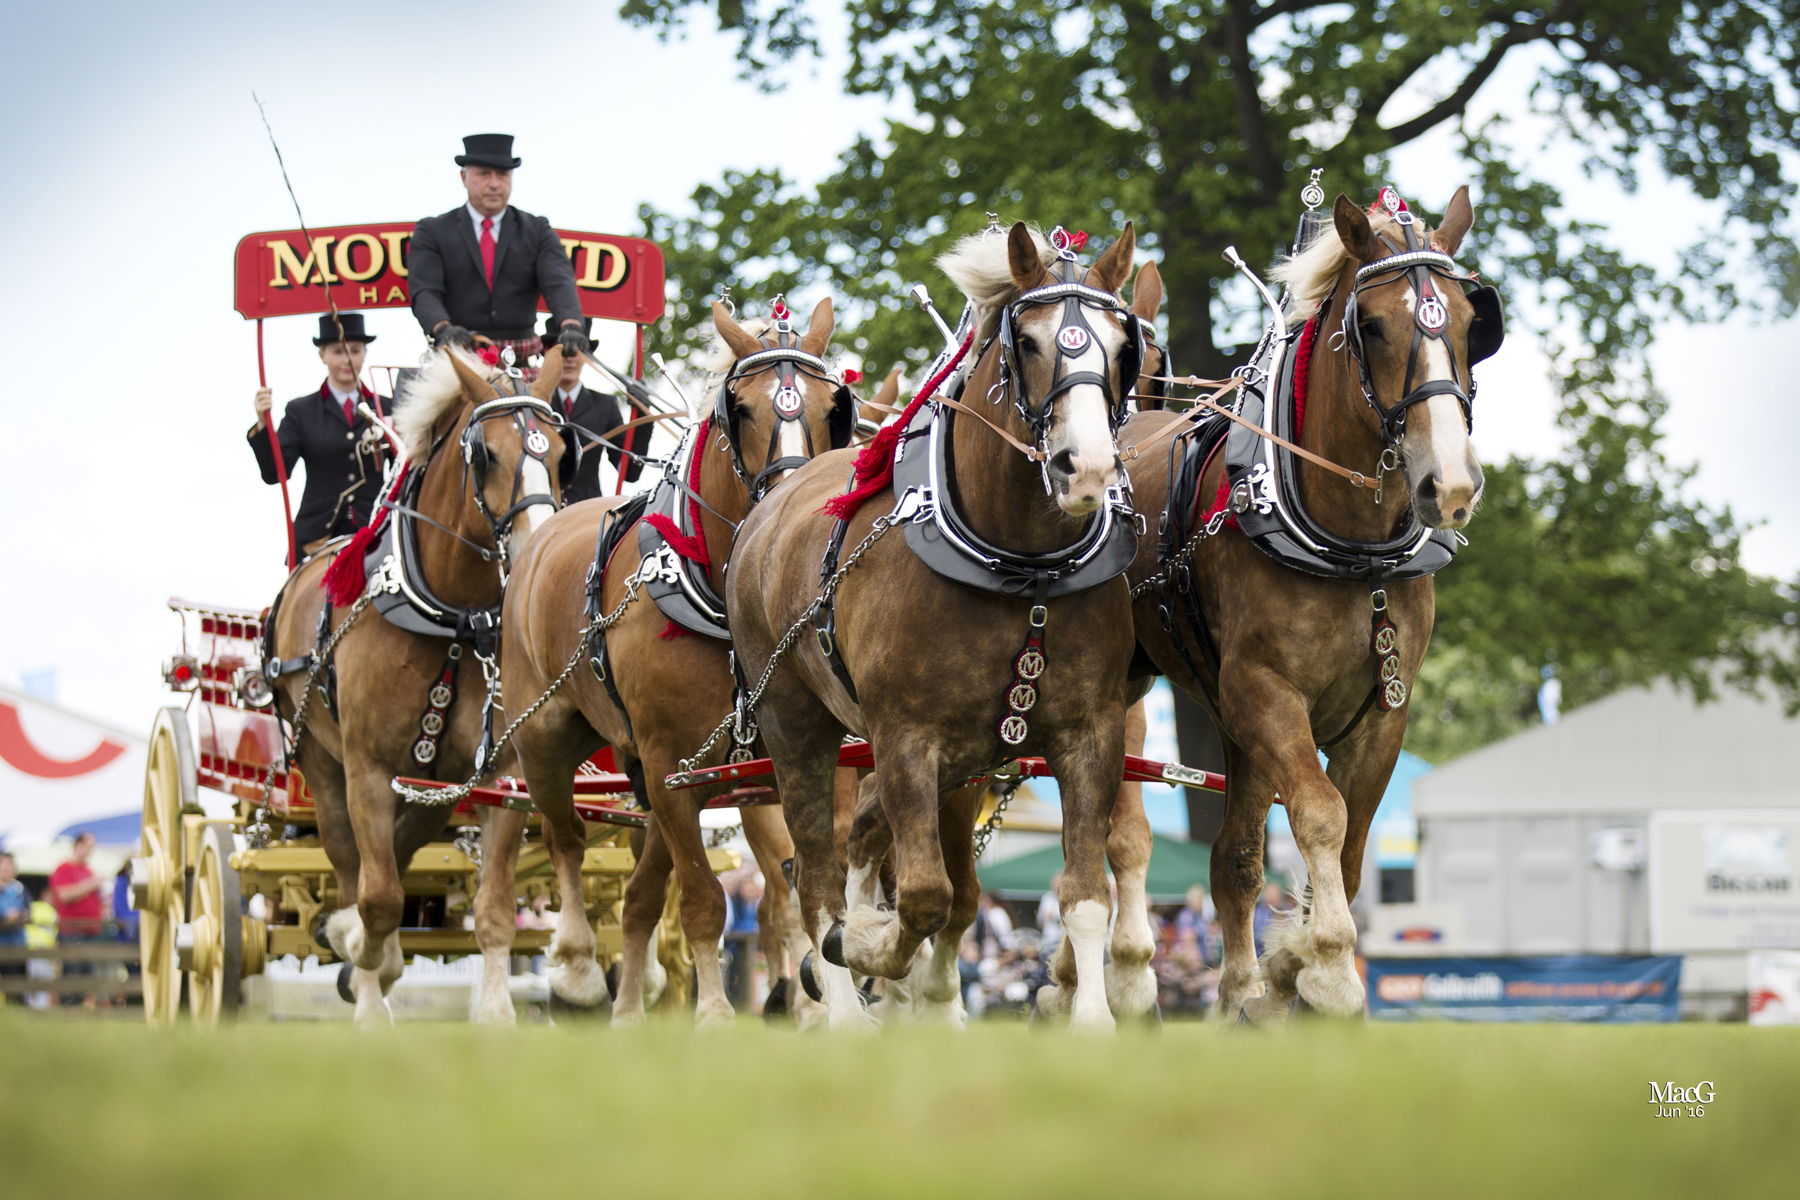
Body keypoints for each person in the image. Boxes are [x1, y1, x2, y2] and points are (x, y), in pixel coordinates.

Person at [407, 133, 588, 367]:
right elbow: (424, 291)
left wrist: (571, 325)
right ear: (464, 177)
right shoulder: (432, 231)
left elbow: (559, 282)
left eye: (502, 175)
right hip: (457, 360)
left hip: (520, 362)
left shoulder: (537, 229)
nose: (494, 183)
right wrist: (442, 328)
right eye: (484, 174)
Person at [248, 313, 392, 555]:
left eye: (355, 350)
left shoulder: (387, 407)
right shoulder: (300, 411)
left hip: (377, 529)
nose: (348, 359)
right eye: (337, 352)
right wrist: (263, 424)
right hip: (316, 536)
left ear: (365, 352)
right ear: (321, 355)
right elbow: (275, 473)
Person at [547, 327, 646, 503]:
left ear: (587, 357)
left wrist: (642, 416)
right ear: (547, 354)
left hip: (586, 513)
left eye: (576, 350)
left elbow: (630, 472)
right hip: (541, 510)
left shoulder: (605, 405)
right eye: (562, 350)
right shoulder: (534, 404)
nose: (569, 358)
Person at [50, 832, 108, 1009]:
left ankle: (79, 1008)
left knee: (87, 973)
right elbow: (64, 895)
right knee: (72, 972)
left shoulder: (88, 870)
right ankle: (67, 1008)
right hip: (71, 930)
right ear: (78, 845)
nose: (91, 851)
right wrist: (91, 884)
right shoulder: (64, 868)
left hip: (91, 930)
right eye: (89, 846)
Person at [0, 852, 29, 1004]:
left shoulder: (19, 889)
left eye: (9, 865)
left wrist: (23, 916)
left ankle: (18, 1010)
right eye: (3, 865)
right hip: (2, 944)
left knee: (20, 984)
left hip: (18, 943)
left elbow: (29, 911)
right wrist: (5, 920)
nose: (7, 869)